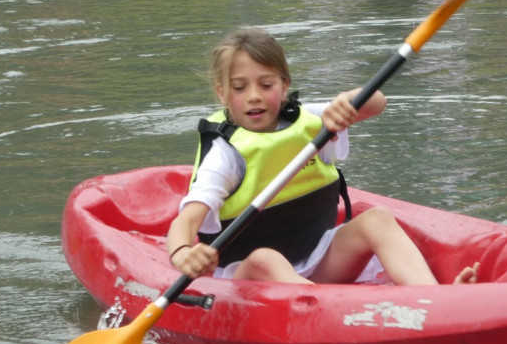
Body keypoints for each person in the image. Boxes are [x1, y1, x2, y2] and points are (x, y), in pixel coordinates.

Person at [167, 27, 477, 285]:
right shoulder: (225, 155)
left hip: (317, 259)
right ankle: (330, 311)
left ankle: (435, 297)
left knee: (377, 219)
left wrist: (347, 102)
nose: (254, 96)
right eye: (239, 87)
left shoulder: (312, 121)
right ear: (222, 93)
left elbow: (377, 103)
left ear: (284, 87)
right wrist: (183, 253)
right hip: (251, 276)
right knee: (266, 259)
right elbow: (188, 219)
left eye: (266, 84)